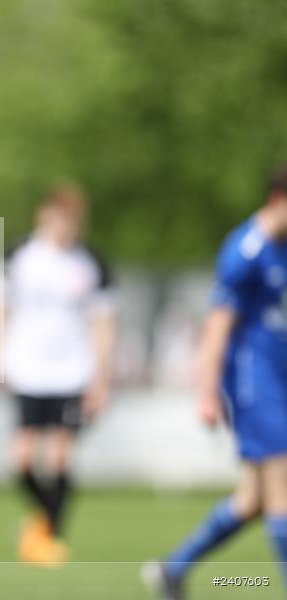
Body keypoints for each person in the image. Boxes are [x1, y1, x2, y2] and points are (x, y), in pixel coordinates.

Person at [143, 165, 287, 600]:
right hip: (254, 384)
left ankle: (172, 570)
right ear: (278, 199)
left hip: (278, 382)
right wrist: (207, 392)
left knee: (252, 501)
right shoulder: (246, 250)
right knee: (284, 495)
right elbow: (218, 327)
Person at [0, 186, 115, 565]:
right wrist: (0, 360)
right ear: (44, 215)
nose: (67, 226)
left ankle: (48, 538)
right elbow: (1, 309)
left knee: (62, 460)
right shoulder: (20, 256)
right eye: (60, 216)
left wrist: (101, 378)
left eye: (73, 219)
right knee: (22, 463)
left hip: (71, 372)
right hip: (28, 370)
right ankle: (43, 522)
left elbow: (102, 323)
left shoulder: (91, 262)